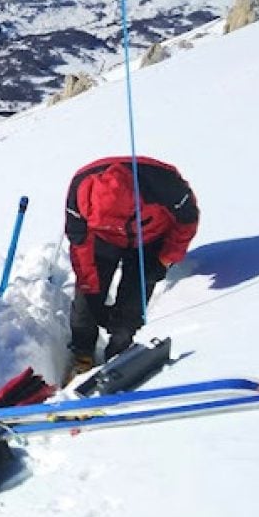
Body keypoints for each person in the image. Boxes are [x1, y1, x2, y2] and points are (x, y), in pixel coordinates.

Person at [64, 155, 199, 380]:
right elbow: (80, 244)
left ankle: (119, 356)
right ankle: (82, 356)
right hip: (102, 238)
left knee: (132, 305)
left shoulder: (162, 183)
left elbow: (187, 221)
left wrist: (165, 259)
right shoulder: (78, 194)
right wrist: (90, 287)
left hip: (150, 237)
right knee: (85, 304)